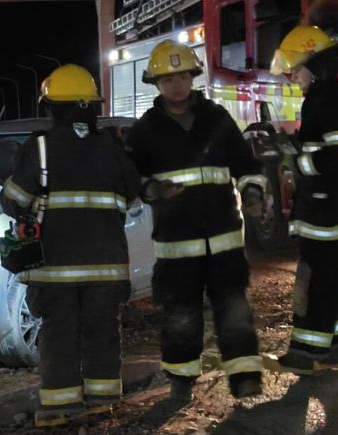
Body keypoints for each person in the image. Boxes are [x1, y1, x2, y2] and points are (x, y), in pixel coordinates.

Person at [125, 39, 267, 402]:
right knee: (181, 316)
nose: (177, 84)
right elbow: (132, 182)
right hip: (176, 247)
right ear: (156, 82)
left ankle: (245, 377)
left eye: (183, 76)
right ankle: (181, 381)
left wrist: (252, 193)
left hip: (224, 241)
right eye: (168, 78)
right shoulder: (145, 131)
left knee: (234, 310)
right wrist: (154, 189)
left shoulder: (217, 118)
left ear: (193, 77)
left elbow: (247, 166)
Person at [0, 64, 141, 427]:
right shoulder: (113, 147)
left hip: (56, 267)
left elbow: (15, 199)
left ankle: (61, 406)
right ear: (90, 106)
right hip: (107, 267)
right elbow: (133, 194)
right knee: (102, 331)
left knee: (59, 333)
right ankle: (102, 401)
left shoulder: (40, 147)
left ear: (52, 107)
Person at [265, 25, 338, 374]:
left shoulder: (332, 101)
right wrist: (293, 148)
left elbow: (336, 159)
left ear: (317, 65)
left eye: (297, 68)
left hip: (328, 208)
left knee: (316, 278)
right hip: (330, 205)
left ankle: (307, 351)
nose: (293, 76)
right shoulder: (330, 98)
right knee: (332, 273)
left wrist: (295, 157)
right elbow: (328, 152)